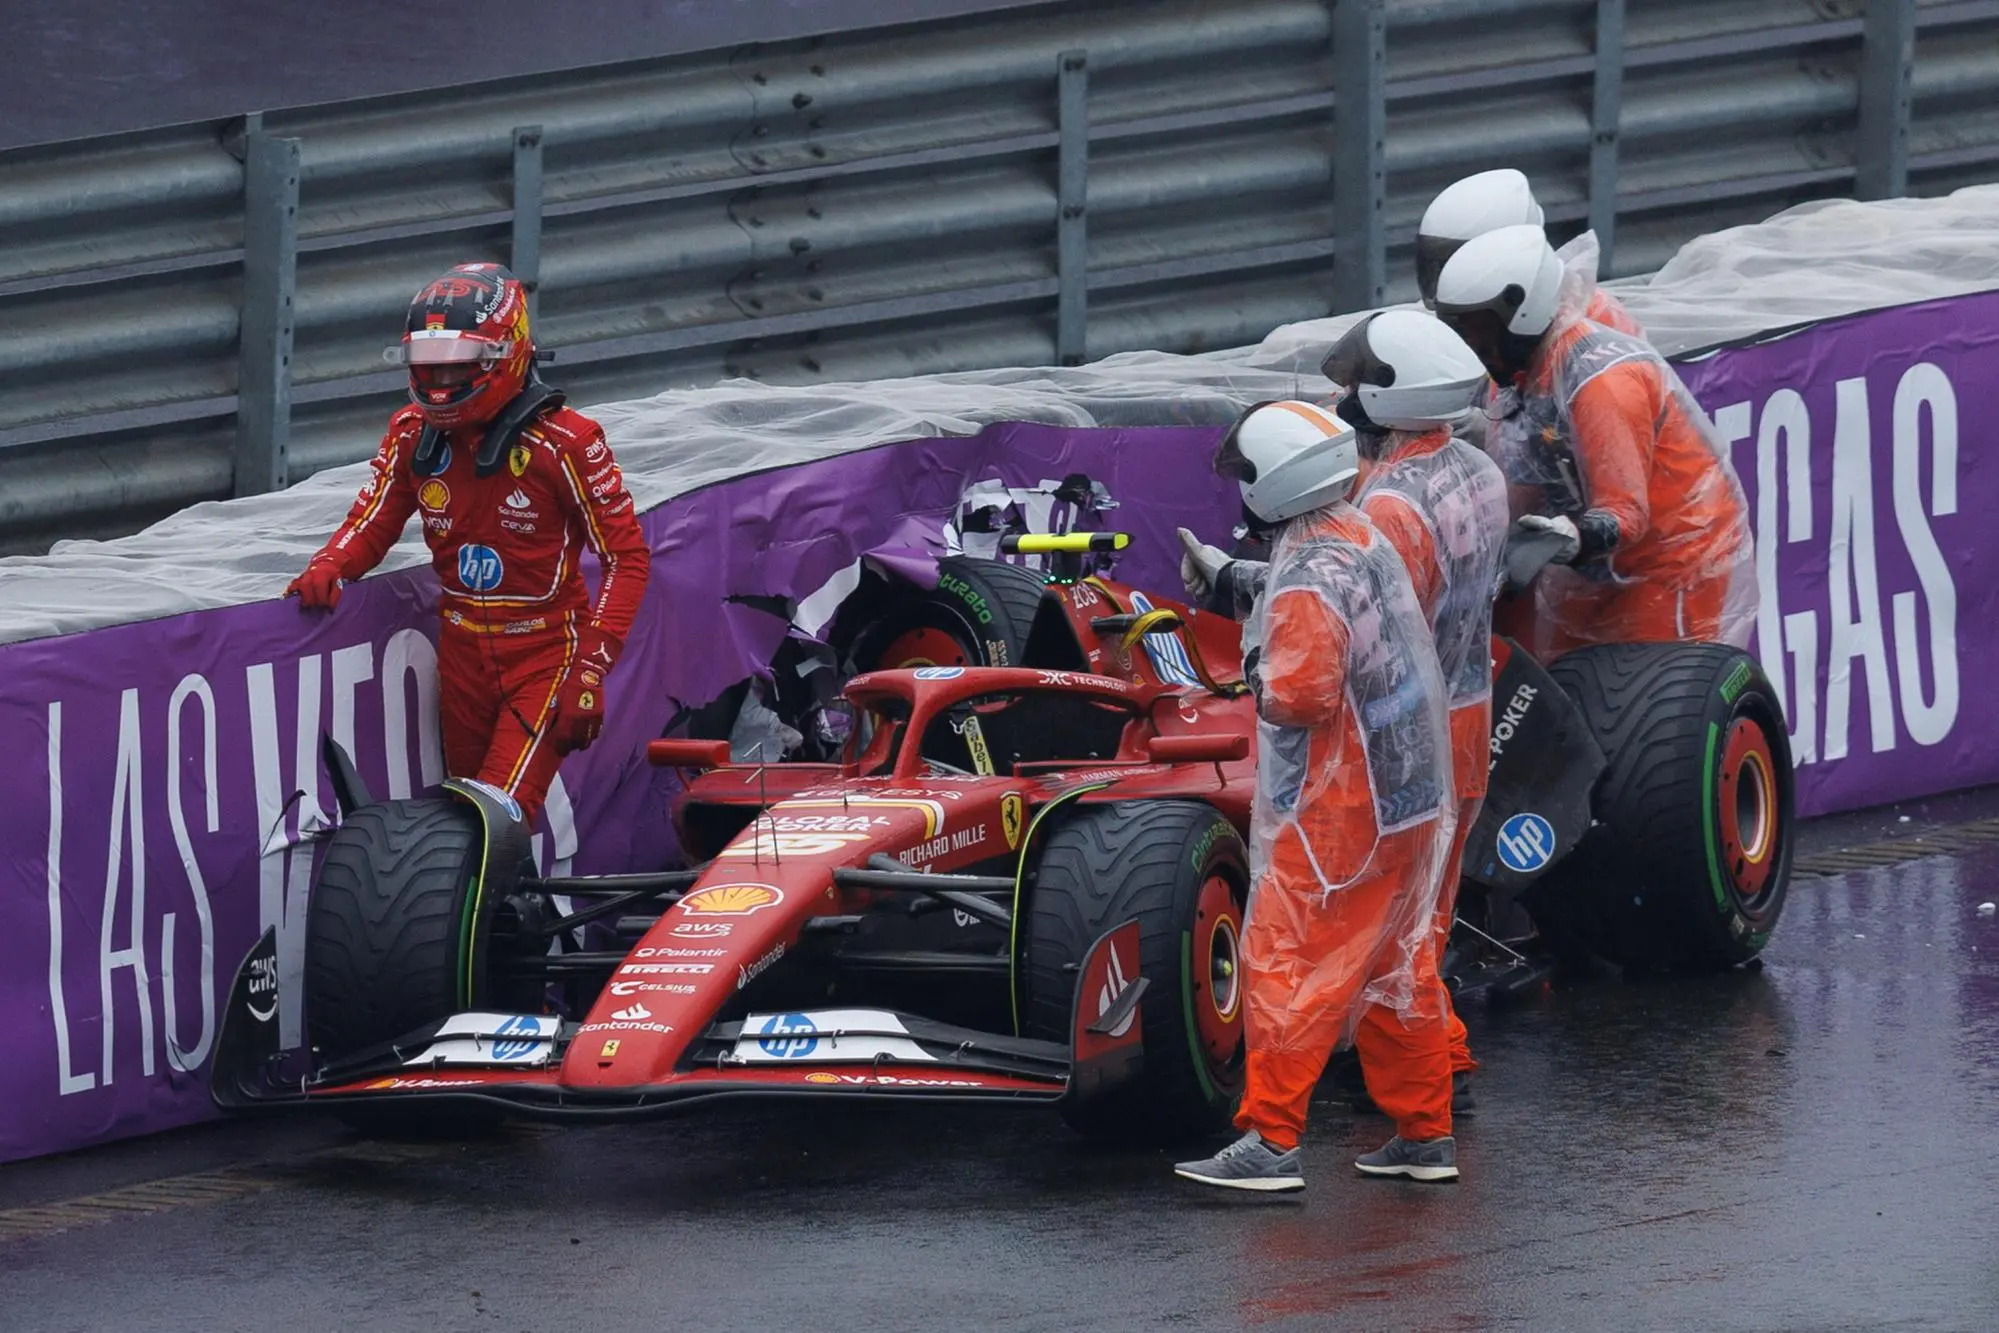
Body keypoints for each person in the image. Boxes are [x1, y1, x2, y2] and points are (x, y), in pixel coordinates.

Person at [1181, 315, 1509, 1107]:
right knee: (1418, 916)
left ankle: (1414, 1084)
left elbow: (1360, 616)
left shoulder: (1392, 503)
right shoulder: (1475, 466)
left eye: (1359, 380)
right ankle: (1431, 1088)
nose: (1345, 394)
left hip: (1387, 737)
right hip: (1458, 715)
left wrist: (1239, 589)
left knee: (1373, 925)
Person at [1173, 400, 1459, 1192]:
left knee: (1287, 963)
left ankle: (1269, 1140)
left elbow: (1299, 694)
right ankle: (1423, 1132)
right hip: (1406, 797)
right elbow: (1319, 591)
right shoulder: (1357, 534)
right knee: (1396, 966)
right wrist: (1237, 582)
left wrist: (1251, 676)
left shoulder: (1308, 575)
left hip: (1339, 813)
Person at [286, 263, 650, 823]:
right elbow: (375, 517)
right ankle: (513, 910)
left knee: (495, 817)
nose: (437, 383)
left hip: (546, 656)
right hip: (460, 660)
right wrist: (332, 564)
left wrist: (590, 669)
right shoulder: (411, 432)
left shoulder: (568, 443)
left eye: (454, 366)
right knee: (463, 817)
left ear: (505, 354)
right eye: (425, 366)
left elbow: (626, 559)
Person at [1432, 225, 1756, 658]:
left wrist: (1578, 536)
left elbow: (1626, 513)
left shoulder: (1600, 382)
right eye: (1461, 332)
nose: (1472, 345)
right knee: (1572, 687)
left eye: (1478, 330)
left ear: (1521, 311)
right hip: (1596, 567)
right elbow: (1520, 482)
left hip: (1671, 561)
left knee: (1652, 706)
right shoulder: (1522, 375)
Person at [1417, 167, 1642, 336]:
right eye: (1439, 268)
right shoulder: (1494, 324)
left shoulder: (1590, 324)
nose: (1447, 283)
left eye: (1456, 266)